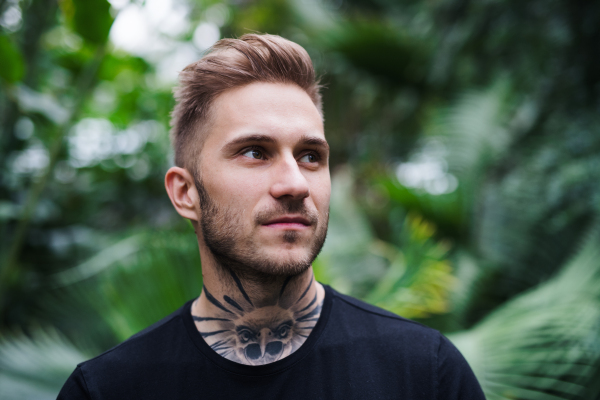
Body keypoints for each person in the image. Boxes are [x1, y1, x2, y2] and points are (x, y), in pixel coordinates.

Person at [58, 34, 485, 399]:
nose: (295, 183)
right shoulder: (108, 389)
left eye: (311, 156)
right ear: (186, 193)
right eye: (254, 152)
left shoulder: (425, 373)